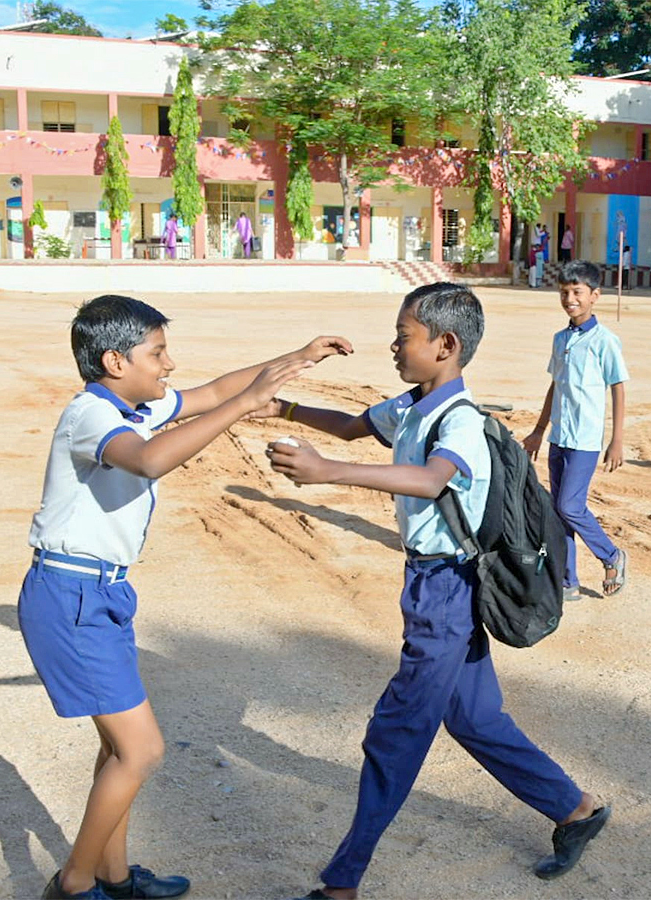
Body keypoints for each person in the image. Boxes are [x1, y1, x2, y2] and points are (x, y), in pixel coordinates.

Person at [267, 283, 611, 900]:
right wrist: (284, 409)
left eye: (404, 337)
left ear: (445, 346)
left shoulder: (460, 423)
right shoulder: (414, 405)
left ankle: (341, 884)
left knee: (394, 734)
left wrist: (326, 473)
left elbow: (430, 479)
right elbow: (351, 426)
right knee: (475, 718)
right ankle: (576, 810)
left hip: (448, 590)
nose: (394, 346)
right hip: (431, 582)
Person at [18, 294, 352, 899]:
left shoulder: (130, 405)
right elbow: (147, 462)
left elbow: (217, 388)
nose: (169, 365)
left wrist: (295, 358)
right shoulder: (93, 415)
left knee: (118, 748)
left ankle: (115, 878)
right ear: (115, 360)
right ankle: (73, 884)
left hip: (99, 594)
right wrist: (244, 407)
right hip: (70, 595)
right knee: (142, 751)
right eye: (158, 353)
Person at [523, 260, 629, 602]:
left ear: (595, 296)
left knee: (570, 506)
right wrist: (540, 430)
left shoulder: (605, 341)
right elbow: (555, 386)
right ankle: (568, 581)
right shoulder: (561, 339)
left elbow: (618, 388)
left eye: (578, 292)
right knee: (558, 511)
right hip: (559, 438)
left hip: (584, 441)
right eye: (565, 292)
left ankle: (611, 555)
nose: (570, 298)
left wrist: (617, 440)